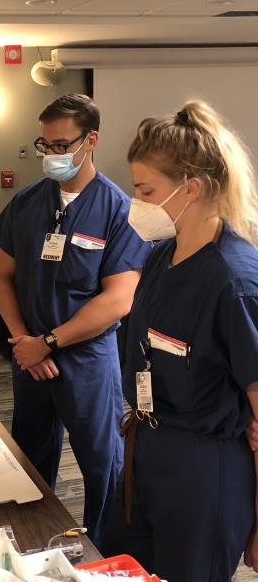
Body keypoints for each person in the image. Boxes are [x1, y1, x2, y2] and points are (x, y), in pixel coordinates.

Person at [102, 101, 258, 582]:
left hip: (203, 471)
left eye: (146, 191)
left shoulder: (234, 283)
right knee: (121, 568)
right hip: (146, 448)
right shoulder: (161, 257)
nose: (137, 203)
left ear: (191, 187)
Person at [0, 94, 152, 546]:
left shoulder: (119, 210)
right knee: (29, 463)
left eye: (61, 145)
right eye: (45, 145)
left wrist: (51, 342)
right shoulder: (26, 203)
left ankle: (104, 552)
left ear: (90, 140)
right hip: (31, 359)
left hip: (87, 360)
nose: (52, 155)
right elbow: (1, 275)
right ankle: (32, 547)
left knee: (104, 466)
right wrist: (25, 342)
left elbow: (118, 300)